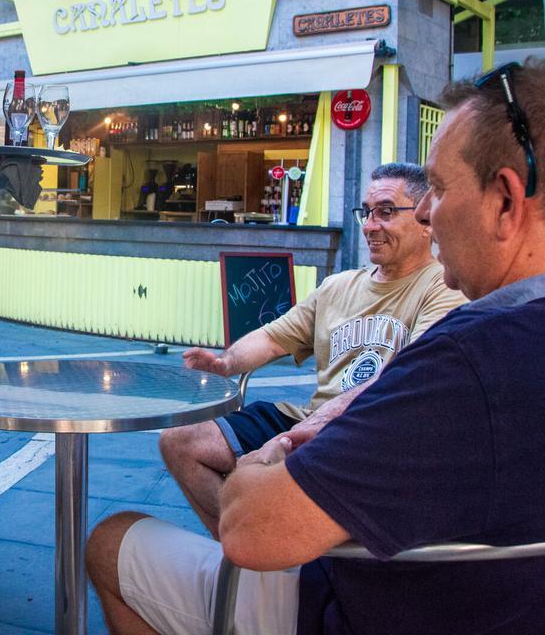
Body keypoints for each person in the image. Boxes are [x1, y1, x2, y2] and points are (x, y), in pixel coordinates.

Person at [87, 60, 545, 635]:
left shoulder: (471, 360)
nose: (428, 213)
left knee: (111, 541)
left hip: (366, 610)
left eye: (439, 188)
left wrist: (270, 456)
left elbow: (248, 530)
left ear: (506, 202)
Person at [161, 162, 466, 537]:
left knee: (257, 477)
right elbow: (273, 338)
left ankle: (261, 548)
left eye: (386, 212)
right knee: (180, 441)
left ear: (425, 220)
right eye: (367, 212)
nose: (370, 226)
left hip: (372, 434)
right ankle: (251, 549)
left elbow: (406, 377)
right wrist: (225, 363)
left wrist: (295, 438)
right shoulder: (339, 286)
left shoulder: (442, 288)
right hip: (309, 420)